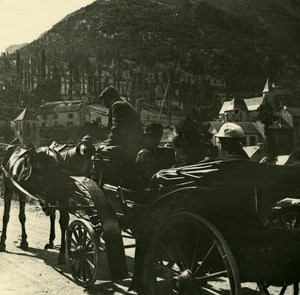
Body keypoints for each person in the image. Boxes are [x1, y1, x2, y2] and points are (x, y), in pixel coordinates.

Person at [98, 86, 143, 163]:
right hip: (132, 142)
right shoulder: (121, 103)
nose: (103, 101)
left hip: (129, 144)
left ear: (110, 97)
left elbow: (117, 128)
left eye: (104, 98)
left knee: (100, 152)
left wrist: (108, 142)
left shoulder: (118, 105)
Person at [136, 123, 174, 188]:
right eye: (153, 137)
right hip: (148, 189)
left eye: (158, 137)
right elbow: (154, 179)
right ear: (146, 138)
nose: (157, 140)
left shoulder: (155, 151)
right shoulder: (144, 154)